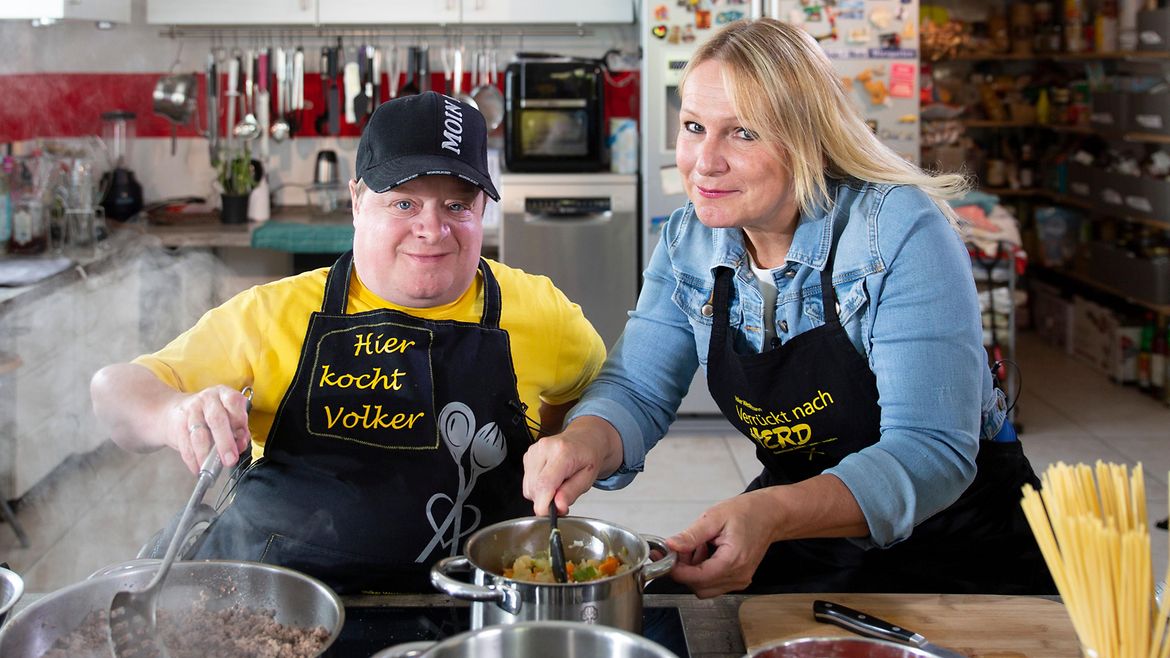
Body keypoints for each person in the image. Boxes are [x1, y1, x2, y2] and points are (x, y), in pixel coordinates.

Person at [523, 19, 1054, 598]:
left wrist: (771, 514)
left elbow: (931, 450)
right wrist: (585, 441)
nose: (704, 162)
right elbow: (636, 389)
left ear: (808, 139)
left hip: (961, 545)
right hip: (801, 520)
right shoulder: (689, 242)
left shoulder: (897, 230)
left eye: (743, 134)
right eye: (694, 127)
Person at [91, 91, 606, 593]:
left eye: (457, 204)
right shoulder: (275, 311)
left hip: (479, 604)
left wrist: (558, 448)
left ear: (481, 210)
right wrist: (175, 412)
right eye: (404, 202)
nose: (432, 229)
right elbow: (113, 391)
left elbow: (606, 392)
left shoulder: (540, 311)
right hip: (288, 606)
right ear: (357, 201)